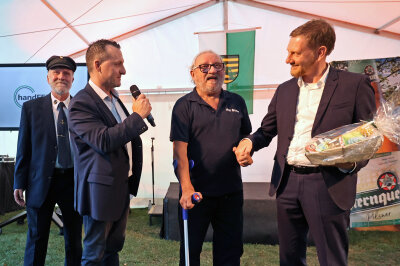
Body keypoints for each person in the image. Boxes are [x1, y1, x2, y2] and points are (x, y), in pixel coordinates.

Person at [234, 19, 376, 266]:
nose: (288, 59)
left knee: (331, 259)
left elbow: (368, 138)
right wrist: (248, 141)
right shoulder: (284, 90)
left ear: (320, 51)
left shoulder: (354, 85)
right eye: (288, 52)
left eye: (295, 53)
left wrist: (348, 164)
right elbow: (267, 131)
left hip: (328, 183)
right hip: (286, 183)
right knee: (289, 258)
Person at [68, 39, 151, 265]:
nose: (123, 70)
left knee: (112, 250)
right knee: (94, 256)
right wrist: (137, 117)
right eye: (117, 64)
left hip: (119, 187)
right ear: (97, 65)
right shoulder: (81, 103)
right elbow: (103, 140)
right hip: (99, 193)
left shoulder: (113, 98)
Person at [170, 50, 252, 266]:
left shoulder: (237, 101)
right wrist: (186, 187)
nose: (212, 70)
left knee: (230, 254)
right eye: (204, 67)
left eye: (217, 65)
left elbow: (245, 136)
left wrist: (246, 150)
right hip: (196, 194)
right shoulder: (184, 106)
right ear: (193, 74)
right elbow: (180, 152)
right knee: (190, 254)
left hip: (231, 194)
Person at [14, 55, 83, 266]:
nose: (61, 77)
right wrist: (19, 182)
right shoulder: (31, 108)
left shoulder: (82, 108)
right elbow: (23, 147)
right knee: (36, 239)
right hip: (40, 182)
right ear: (48, 78)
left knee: (74, 240)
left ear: (72, 79)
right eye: (57, 73)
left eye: (66, 73)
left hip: (73, 182)